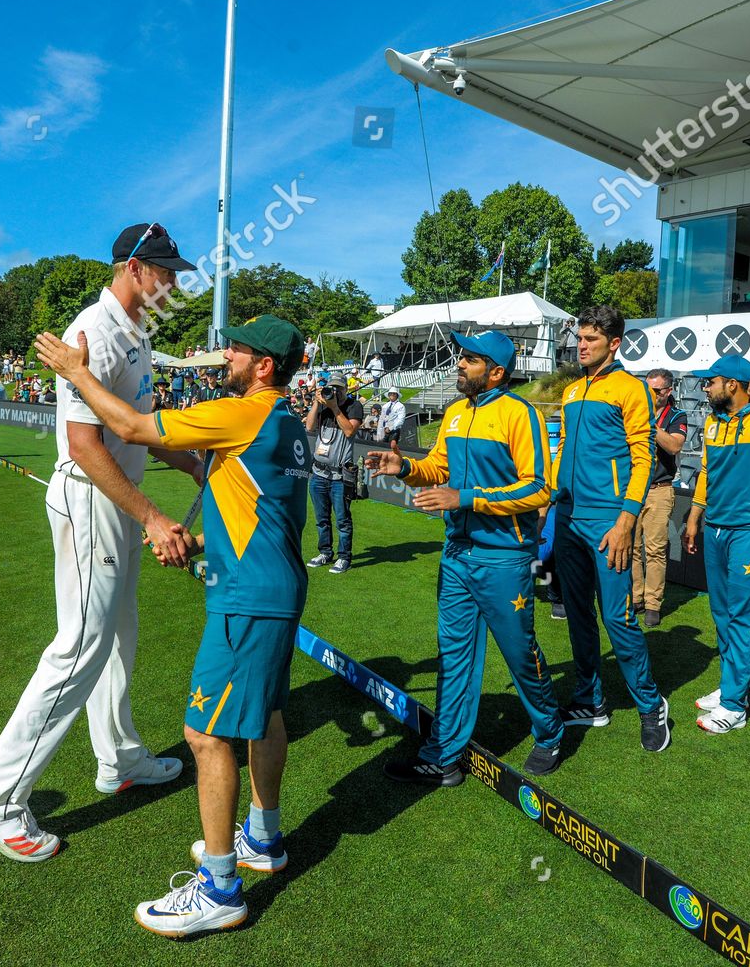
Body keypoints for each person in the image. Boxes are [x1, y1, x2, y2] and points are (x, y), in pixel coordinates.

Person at [35, 312, 309, 939]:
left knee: (206, 735)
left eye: (236, 352)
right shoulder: (287, 420)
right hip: (277, 586)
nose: (226, 360)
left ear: (263, 366)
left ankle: (219, 887)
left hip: (247, 596)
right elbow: (227, 479)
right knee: (264, 715)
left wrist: (78, 373)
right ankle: (262, 839)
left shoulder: (244, 411)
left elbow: (130, 426)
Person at [0, 224, 196, 868]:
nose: (172, 282)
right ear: (131, 266)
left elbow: (139, 428)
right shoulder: (90, 330)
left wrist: (197, 467)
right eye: (164, 270)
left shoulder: (137, 329)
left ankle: (118, 758)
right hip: (94, 501)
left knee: (119, 635)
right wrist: (151, 517)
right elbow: (87, 447)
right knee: (79, 648)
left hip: (115, 502)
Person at [366, 330, 567, 783]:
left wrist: (467, 498)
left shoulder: (520, 414)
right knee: (453, 655)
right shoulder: (456, 412)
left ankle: (550, 732)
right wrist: (406, 468)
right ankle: (444, 755)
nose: (460, 363)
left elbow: (539, 488)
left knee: (519, 653)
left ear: (496, 372)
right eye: (462, 356)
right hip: (457, 554)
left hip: (504, 557)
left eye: (471, 359)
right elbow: (439, 467)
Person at [550, 306, 671, 752]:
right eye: (580, 338)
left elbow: (645, 458)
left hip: (608, 521)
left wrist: (626, 520)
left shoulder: (631, 388)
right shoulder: (572, 390)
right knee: (577, 614)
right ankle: (590, 700)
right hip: (567, 517)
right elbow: (562, 448)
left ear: (614, 343)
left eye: (591, 340)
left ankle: (650, 704)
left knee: (618, 619)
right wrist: (549, 501)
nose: (581, 346)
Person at [684, 356, 750, 733]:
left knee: (744, 617)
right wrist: (695, 517)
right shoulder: (714, 421)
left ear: (733, 384)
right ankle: (732, 683)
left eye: (710, 381)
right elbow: (706, 471)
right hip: (716, 526)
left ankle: (735, 705)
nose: (705, 388)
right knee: (722, 613)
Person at [631, 369, 687, 628]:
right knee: (631, 547)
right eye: (648, 390)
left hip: (660, 489)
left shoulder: (676, 415)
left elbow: (675, 446)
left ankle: (653, 603)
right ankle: (635, 597)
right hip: (633, 487)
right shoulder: (634, 411)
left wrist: (650, 425)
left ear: (669, 391)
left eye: (656, 391)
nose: (651, 396)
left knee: (654, 550)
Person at [303, 372, 363, 573]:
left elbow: (349, 431)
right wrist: (316, 404)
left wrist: (335, 407)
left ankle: (344, 557)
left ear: (346, 388)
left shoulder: (354, 406)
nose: (335, 391)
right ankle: (325, 552)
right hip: (319, 473)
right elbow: (309, 426)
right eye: (332, 388)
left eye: (339, 388)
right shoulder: (323, 407)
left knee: (342, 520)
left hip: (340, 476)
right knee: (321, 519)